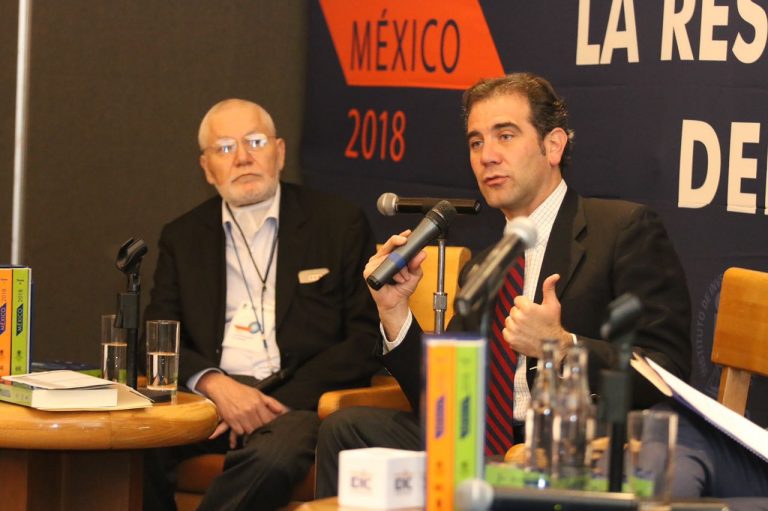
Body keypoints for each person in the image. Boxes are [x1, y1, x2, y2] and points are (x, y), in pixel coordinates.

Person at [315, 72, 692, 497]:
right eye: (476, 142)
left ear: (553, 145)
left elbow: (669, 375)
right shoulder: (488, 266)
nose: (487, 156)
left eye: (505, 136)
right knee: (346, 430)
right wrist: (394, 310)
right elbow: (442, 398)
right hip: (478, 439)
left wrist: (562, 346)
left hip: (569, 447)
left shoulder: (621, 230)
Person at [142, 99, 381, 511]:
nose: (243, 158)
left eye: (255, 141)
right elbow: (156, 336)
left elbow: (364, 339)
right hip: (210, 402)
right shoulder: (183, 237)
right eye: (225, 148)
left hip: (295, 404)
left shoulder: (338, 223)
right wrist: (215, 385)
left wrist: (275, 403)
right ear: (206, 168)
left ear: (280, 152)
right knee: (137, 446)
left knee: (272, 459)